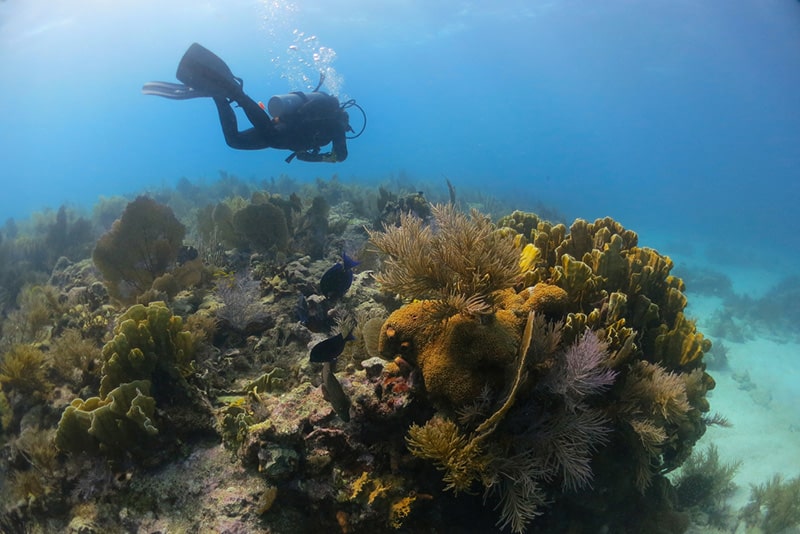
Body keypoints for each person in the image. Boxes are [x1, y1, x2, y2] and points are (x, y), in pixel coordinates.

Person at [143, 43, 355, 163]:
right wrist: (330, 158)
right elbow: (342, 155)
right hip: (282, 133)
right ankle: (236, 93)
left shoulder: (327, 124)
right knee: (269, 135)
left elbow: (301, 157)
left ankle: (219, 95)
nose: (345, 129)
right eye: (346, 126)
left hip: (282, 133)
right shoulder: (336, 127)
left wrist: (318, 157)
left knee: (234, 141)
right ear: (344, 120)